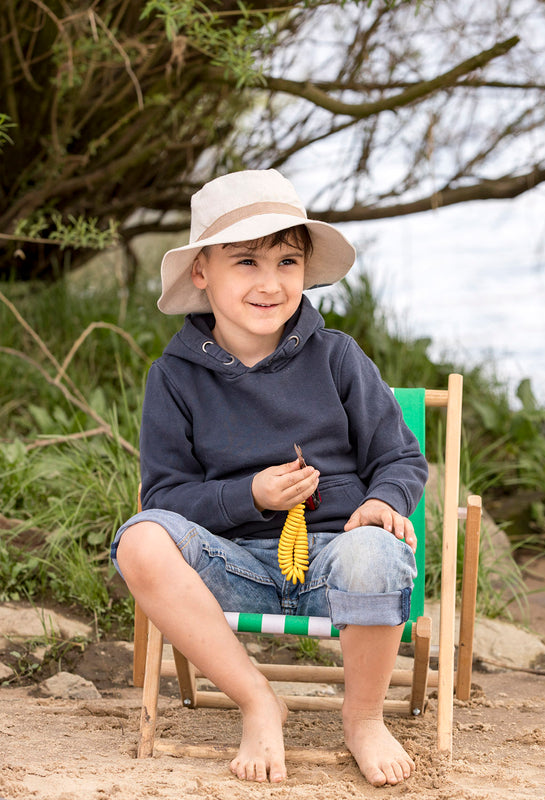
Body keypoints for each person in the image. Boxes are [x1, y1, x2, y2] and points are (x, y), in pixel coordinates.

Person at [111, 169, 428, 787]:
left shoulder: (337, 356)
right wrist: (249, 495)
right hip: (232, 570)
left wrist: (382, 503)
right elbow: (165, 497)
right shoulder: (173, 378)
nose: (270, 282)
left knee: (377, 549)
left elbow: (399, 458)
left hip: (334, 561)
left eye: (287, 261)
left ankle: (363, 718)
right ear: (201, 271)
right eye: (246, 262)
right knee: (140, 539)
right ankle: (258, 700)